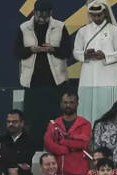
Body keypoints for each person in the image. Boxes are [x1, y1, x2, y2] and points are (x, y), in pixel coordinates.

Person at [16, 0, 73, 139]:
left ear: (51, 14)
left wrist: (53, 49)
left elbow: (67, 52)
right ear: (34, 13)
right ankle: (34, 149)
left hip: (55, 81)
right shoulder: (24, 28)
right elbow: (17, 52)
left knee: (55, 117)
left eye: (45, 17)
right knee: (34, 119)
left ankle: (57, 147)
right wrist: (31, 49)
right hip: (33, 82)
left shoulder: (60, 27)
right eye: (39, 16)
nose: (42, 19)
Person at [74, 0, 117, 125]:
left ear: (105, 13)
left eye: (99, 15)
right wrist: (85, 55)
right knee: (86, 113)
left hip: (108, 79)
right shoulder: (82, 31)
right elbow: (76, 52)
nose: (96, 18)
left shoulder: (115, 31)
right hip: (87, 79)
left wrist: (105, 56)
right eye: (93, 15)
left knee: (107, 112)